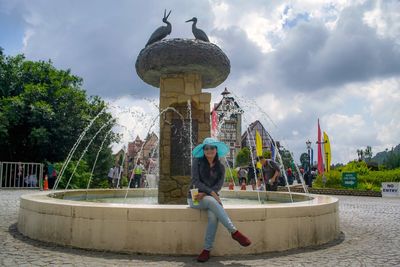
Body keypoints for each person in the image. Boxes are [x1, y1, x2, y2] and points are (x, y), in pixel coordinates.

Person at [188, 137, 251, 262]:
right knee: (212, 201)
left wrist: (207, 194)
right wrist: (210, 193)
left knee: (213, 216)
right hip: (194, 197)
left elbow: (218, 186)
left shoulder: (221, 167)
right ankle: (234, 232)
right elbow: (195, 181)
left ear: (216, 150)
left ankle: (206, 250)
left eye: (212, 148)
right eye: (206, 148)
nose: (209, 150)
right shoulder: (197, 162)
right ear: (203, 150)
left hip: (209, 198)